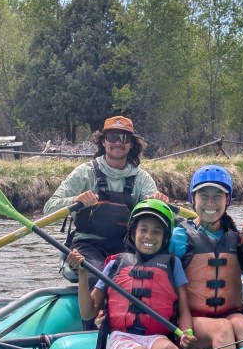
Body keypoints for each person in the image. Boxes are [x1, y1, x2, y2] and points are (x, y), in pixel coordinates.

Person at [66, 199, 196, 349]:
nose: (149, 236)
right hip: (120, 338)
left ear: (165, 238)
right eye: (143, 230)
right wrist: (82, 273)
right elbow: (88, 313)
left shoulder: (173, 264)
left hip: (156, 337)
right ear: (133, 232)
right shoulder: (116, 264)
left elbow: (183, 309)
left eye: (156, 232)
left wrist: (186, 333)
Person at [45, 115, 169, 289]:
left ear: (131, 144)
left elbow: (159, 215)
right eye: (112, 137)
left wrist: (157, 203)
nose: (118, 142)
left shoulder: (142, 178)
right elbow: (49, 208)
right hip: (87, 246)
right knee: (100, 278)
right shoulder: (84, 173)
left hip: (128, 245)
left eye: (124, 138)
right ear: (103, 142)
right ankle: (95, 311)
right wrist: (75, 200)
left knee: (142, 274)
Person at [169, 165, 243, 349]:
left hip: (230, 313)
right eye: (204, 195)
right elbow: (158, 276)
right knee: (223, 328)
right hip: (191, 323)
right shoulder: (179, 237)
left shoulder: (237, 240)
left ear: (228, 200)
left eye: (217, 196)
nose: (211, 203)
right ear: (193, 199)